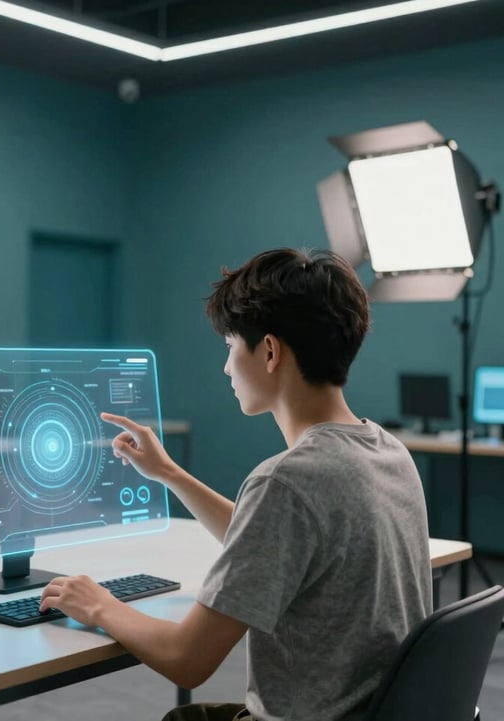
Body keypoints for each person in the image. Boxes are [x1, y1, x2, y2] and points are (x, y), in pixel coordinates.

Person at [39, 248, 432, 721]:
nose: (226, 367)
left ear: (269, 351)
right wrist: (170, 473)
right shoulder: (388, 450)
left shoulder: (286, 480)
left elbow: (187, 660)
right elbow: (274, 544)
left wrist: (100, 605)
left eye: (230, 346)